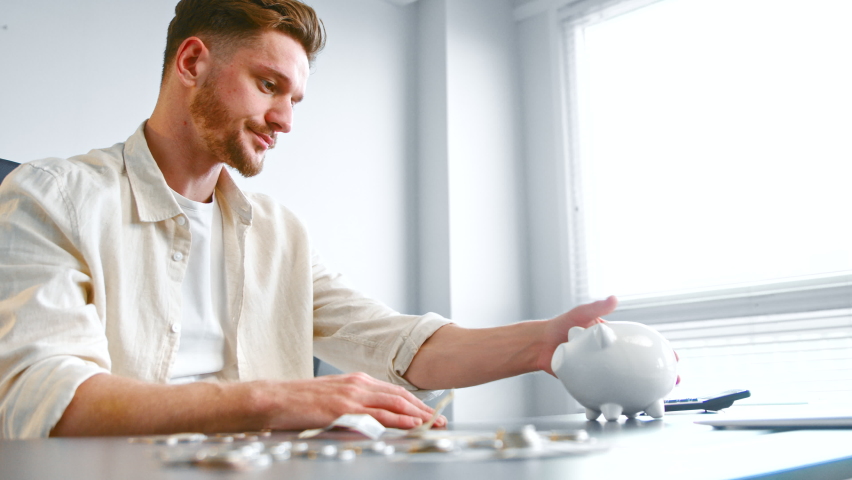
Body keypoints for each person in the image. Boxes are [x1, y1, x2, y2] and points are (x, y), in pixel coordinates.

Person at [0, 0, 618, 439]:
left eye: (294, 99)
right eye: (269, 85)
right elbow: (43, 394)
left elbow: (391, 341)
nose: (285, 121)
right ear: (192, 63)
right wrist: (275, 400)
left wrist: (540, 344)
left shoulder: (276, 232)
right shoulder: (52, 197)